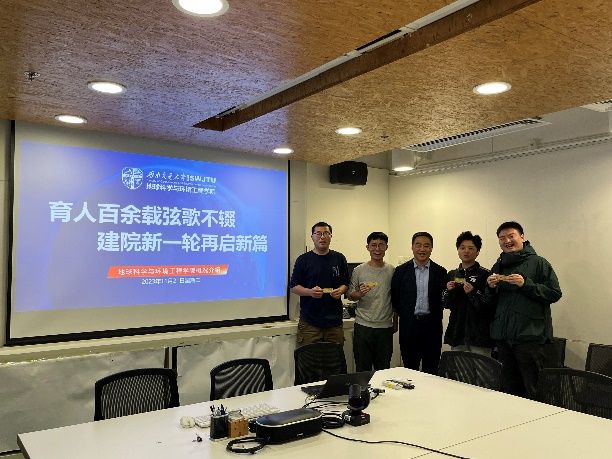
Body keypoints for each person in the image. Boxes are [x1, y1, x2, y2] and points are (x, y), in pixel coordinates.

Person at [485, 221, 562, 399]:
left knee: (534, 389)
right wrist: (490, 287)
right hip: (503, 338)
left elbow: (554, 293)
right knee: (508, 389)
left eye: (511, 236)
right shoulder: (498, 266)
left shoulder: (539, 263)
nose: (507, 241)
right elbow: (490, 302)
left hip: (530, 338)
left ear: (522, 237)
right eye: (502, 238)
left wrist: (526, 284)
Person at [391, 232, 447, 374]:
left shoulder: (441, 272)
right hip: (409, 326)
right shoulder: (400, 271)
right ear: (412, 247)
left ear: (431, 248)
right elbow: (395, 298)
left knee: (432, 369)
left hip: (432, 327)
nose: (422, 249)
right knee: (410, 369)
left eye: (426, 246)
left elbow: (444, 299)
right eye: (418, 245)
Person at [289, 222, 349, 347]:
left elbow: (345, 283)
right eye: (318, 233)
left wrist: (341, 290)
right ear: (312, 237)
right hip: (310, 322)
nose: (322, 237)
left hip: (334, 322)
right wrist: (310, 292)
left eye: (326, 233)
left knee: (334, 357)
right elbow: (293, 286)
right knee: (309, 357)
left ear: (331, 236)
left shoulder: (339, 258)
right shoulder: (303, 259)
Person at [347, 232, 397, 371]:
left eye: (381, 245)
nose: (377, 249)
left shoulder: (392, 271)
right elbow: (350, 295)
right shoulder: (359, 270)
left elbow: (395, 298)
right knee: (362, 368)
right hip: (363, 326)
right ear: (367, 247)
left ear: (386, 247)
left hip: (385, 327)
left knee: (383, 369)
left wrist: (395, 321)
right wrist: (359, 293)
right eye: (373, 245)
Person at [442, 231, 494, 356]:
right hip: (457, 333)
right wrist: (448, 291)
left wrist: (473, 292)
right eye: (462, 248)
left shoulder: (486, 274)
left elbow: (489, 305)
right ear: (458, 250)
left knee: (482, 367)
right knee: (459, 367)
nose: (466, 251)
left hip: (480, 336)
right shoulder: (452, 274)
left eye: (471, 248)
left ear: (478, 252)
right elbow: (446, 304)